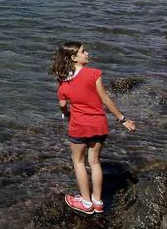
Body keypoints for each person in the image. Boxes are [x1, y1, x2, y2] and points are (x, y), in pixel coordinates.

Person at [52, 41, 136, 215]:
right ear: (74, 57)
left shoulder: (63, 82)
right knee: (95, 161)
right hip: (99, 124)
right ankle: (98, 202)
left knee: (78, 161)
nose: (87, 54)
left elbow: (62, 104)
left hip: (79, 127)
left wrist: (66, 113)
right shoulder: (93, 74)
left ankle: (85, 202)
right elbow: (105, 99)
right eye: (83, 51)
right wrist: (122, 119)